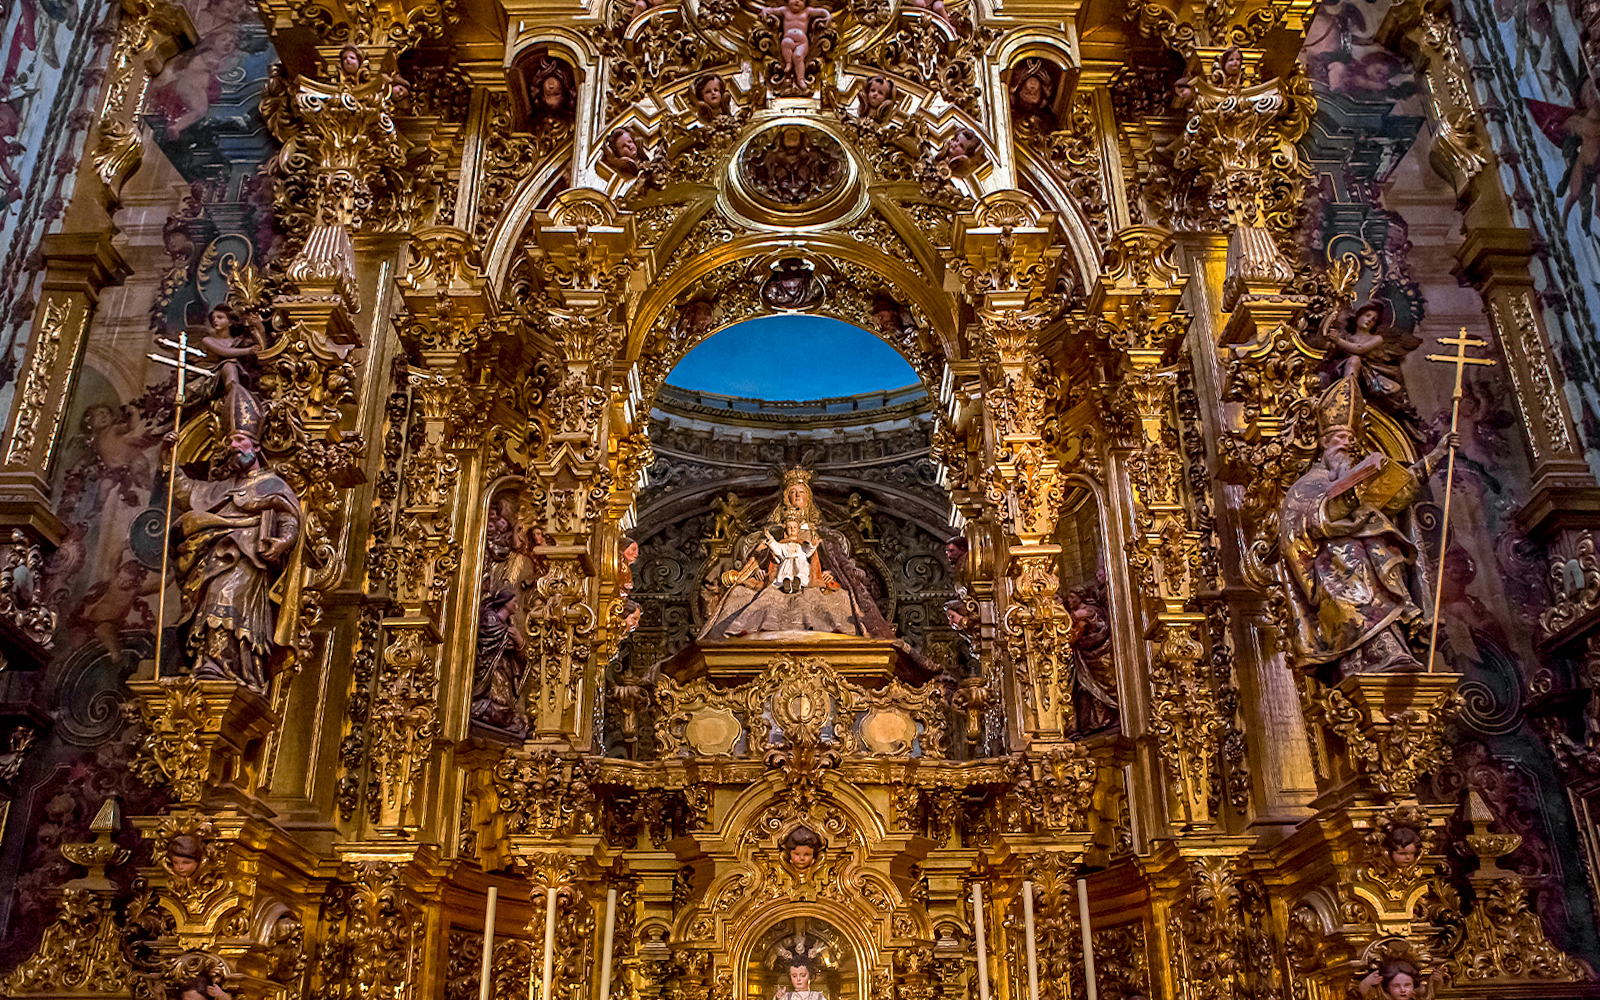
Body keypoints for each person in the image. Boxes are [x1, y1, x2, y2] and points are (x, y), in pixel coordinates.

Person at [1278, 376, 1455, 679]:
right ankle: (1371, 651)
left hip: (1374, 562)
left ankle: (1392, 645)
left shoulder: (1358, 476)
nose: (1347, 444)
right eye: (1339, 439)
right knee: (1350, 558)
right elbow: (1300, 528)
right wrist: (1340, 506)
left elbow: (1395, 494)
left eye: (1350, 438)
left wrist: (1435, 456)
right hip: (1332, 567)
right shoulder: (1306, 485)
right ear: (1323, 444)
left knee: (1382, 547)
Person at [162, 384, 303, 693]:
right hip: (215, 557)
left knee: (226, 601)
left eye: (239, 440)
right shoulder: (220, 487)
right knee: (210, 602)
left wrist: (283, 541)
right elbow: (187, 492)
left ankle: (232, 666)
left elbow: (289, 516)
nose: (233, 446)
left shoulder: (271, 484)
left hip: (247, 560)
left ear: (254, 445)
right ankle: (208, 663)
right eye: (229, 442)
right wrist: (169, 460)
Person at [700, 470, 891, 640]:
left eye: (800, 492)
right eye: (792, 492)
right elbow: (760, 557)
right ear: (785, 499)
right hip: (774, 580)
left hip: (812, 580)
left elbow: (834, 561)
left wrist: (833, 574)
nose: (796, 495)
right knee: (738, 595)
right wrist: (757, 570)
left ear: (808, 498)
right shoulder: (774, 534)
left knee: (839, 600)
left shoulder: (822, 535)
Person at [760, 0, 831, 93]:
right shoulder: (785, 10)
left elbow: (822, 12)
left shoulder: (807, 11)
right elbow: (770, 10)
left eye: (801, 0)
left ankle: (801, 79)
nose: (797, 1)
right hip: (788, 38)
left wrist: (827, 17)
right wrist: (765, 13)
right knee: (786, 43)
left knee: (798, 56)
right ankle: (788, 63)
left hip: (802, 41)